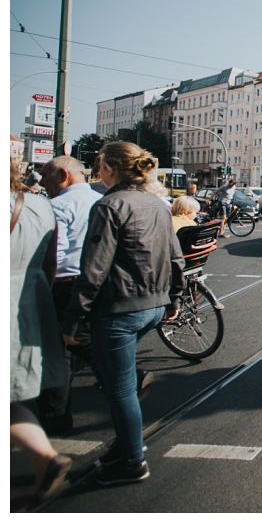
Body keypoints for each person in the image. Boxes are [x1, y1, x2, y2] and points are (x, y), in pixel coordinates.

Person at [62, 142, 185, 486]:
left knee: (120, 391)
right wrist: (173, 299)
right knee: (119, 378)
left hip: (120, 309)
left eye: (99, 164)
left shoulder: (109, 205)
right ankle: (126, 443)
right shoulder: (157, 205)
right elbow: (176, 258)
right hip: (153, 307)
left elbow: (94, 269)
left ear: (110, 169)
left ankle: (132, 462)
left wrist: (73, 318)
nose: (97, 169)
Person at [11, 157, 74, 508]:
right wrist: (41, 294)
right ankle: (43, 455)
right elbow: (51, 261)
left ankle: (43, 455)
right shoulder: (39, 204)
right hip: (32, 293)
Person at [34, 156, 104, 435]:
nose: (41, 183)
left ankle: (55, 415)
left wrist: (45, 287)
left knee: (58, 348)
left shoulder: (57, 205)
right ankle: (124, 377)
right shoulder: (101, 200)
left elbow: (54, 256)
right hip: (96, 281)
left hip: (64, 283)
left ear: (63, 174)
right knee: (82, 337)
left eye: (45, 176)